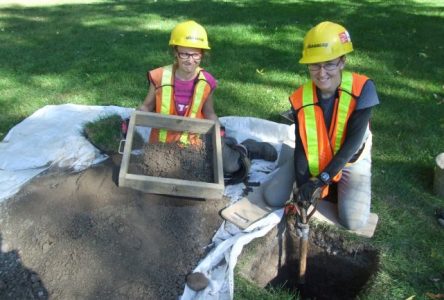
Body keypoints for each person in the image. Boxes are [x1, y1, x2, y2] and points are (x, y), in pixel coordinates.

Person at [140, 20, 277, 184]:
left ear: (202, 54)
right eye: (184, 54)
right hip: (162, 146)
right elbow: (147, 105)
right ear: (175, 52)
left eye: (195, 55)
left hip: (194, 142)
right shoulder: (160, 76)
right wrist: (133, 119)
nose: (190, 60)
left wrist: (219, 130)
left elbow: (209, 112)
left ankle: (246, 148)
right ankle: (227, 145)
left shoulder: (206, 82)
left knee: (230, 166)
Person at [287, 21, 380, 230]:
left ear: (342, 62)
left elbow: (352, 145)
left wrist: (321, 180)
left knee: (353, 222)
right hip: (317, 157)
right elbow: (302, 146)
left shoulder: (363, 89)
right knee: (275, 196)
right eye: (315, 65)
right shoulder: (300, 98)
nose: (321, 73)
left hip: (351, 160)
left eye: (329, 64)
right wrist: (304, 185)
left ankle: (339, 185)